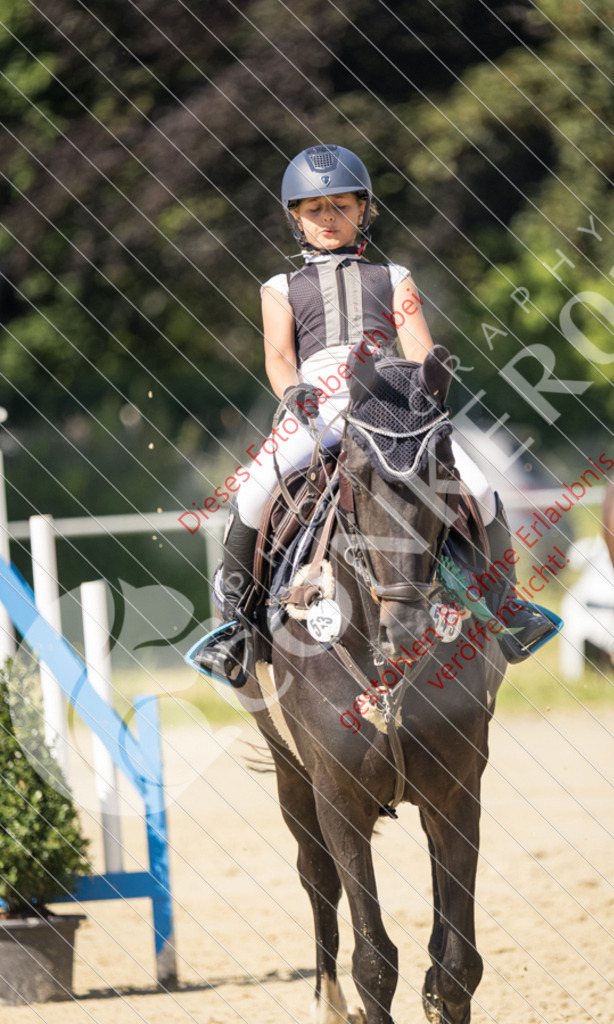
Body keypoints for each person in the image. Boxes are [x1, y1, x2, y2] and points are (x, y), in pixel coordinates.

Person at [196, 144, 557, 681]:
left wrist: (426, 391)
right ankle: (238, 627)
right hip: (315, 403)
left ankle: (506, 610)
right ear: (294, 217)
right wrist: (293, 391)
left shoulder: (394, 275)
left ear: (362, 210)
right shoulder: (280, 287)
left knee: (479, 487)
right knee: (249, 494)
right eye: (314, 210)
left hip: (389, 402)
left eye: (340, 206)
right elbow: (277, 355)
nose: (328, 219)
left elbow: (418, 347)